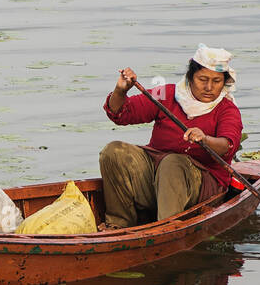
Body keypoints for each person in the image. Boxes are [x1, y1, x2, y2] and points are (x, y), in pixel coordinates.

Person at [99, 44, 243, 229]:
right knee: (114, 151)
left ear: (224, 82)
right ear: (190, 77)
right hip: (156, 174)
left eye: (216, 81)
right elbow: (121, 113)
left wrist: (205, 139)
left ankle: (164, 228)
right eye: (202, 79)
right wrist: (121, 90)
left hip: (202, 183)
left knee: (173, 162)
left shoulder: (227, 109)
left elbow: (227, 145)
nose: (209, 87)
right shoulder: (166, 94)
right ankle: (118, 225)